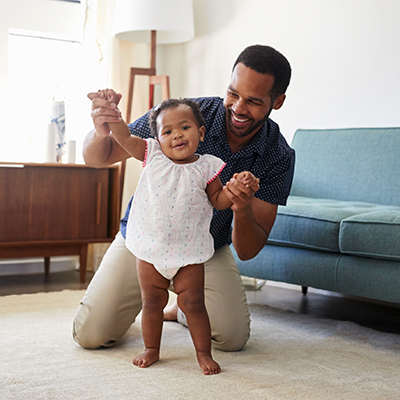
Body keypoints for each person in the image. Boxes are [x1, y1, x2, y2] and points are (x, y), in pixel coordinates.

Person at [73, 44, 295, 359]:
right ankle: (160, 301)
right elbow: (100, 157)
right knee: (90, 334)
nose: (238, 107)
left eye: (254, 101)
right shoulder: (184, 115)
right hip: (145, 242)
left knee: (232, 338)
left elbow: (247, 250)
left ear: (278, 101)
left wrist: (241, 207)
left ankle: (181, 309)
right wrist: (100, 129)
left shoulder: (278, 156)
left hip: (202, 249)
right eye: (233, 94)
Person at [87, 92, 259, 374]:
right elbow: (123, 137)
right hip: (150, 249)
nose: (177, 135)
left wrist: (237, 190)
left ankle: (203, 353)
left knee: (194, 303)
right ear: (157, 138)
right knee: (151, 303)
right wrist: (113, 115)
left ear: (201, 133)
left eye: (185, 127)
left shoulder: (208, 167)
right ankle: (152, 349)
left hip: (189, 252)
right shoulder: (151, 153)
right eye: (167, 131)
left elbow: (218, 201)